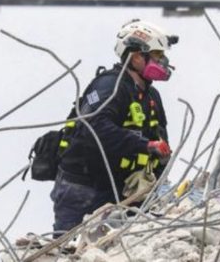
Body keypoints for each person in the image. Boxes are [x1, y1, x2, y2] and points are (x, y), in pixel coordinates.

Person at [51, 19, 178, 233]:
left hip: (120, 187)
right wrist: (145, 146)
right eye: (157, 55)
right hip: (84, 186)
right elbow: (94, 128)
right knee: (70, 248)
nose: (163, 61)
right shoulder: (109, 86)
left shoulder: (151, 96)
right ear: (136, 55)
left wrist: (159, 167)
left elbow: (159, 138)